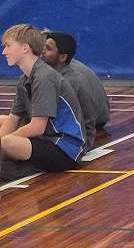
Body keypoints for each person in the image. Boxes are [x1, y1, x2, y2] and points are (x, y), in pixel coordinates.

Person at [1, 24, 87, 176]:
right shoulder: (24, 80)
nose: (4, 52)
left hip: (65, 148)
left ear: (25, 48)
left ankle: (21, 169)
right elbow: (13, 119)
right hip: (44, 140)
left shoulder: (44, 78)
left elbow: (37, 127)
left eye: (8, 46)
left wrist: (3, 143)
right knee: (5, 132)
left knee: (9, 142)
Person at [43, 31, 111, 142]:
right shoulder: (60, 70)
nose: (41, 51)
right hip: (92, 121)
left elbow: (56, 118)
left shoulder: (69, 79)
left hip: (85, 129)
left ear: (63, 57)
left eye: (47, 48)